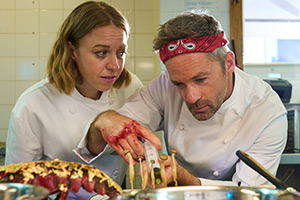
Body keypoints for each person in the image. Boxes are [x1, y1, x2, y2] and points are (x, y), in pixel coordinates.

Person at [80, 11, 287, 187]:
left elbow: (248, 194)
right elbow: (109, 141)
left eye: (201, 79)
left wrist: (181, 176)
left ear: (229, 63)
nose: (191, 97)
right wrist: (103, 121)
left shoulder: (266, 111)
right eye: (179, 84)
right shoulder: (163, 86)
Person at [5, 1, 143, 198]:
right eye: (101, 53)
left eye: (121, 53)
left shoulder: (130, 89)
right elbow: (18, 189)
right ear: (72, 52)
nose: (114, 65)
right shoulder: (32, 105)